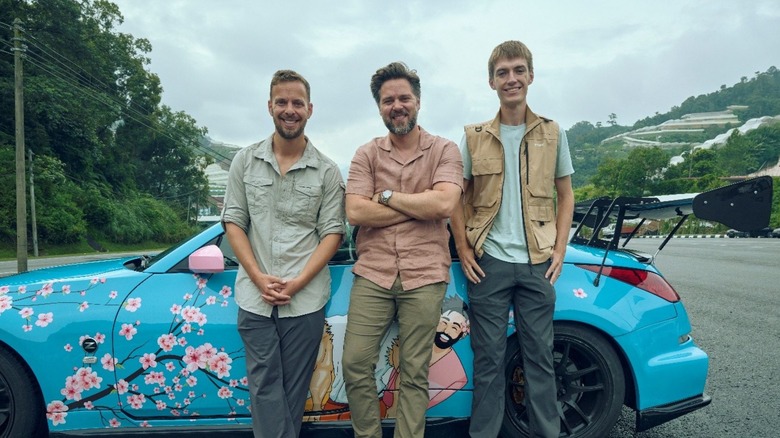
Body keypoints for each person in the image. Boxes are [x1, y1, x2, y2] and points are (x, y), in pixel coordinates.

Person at [450, 40, 575, 438]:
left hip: (538, 261)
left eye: (518, 70)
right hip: (490, 263)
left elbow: (566, 194)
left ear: (531, 76)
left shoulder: (553, 133)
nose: (511, 79)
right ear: (491, 81)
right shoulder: (473, 137)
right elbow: (455, 197)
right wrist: (465, 248)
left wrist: (559, 248)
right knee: (489, 358)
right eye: (503, 73)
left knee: (540, 357)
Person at [221, 69, 345, 438]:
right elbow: (233, 223)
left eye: (297, 103)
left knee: (293, 389)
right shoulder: (244, 162)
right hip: (254, 296)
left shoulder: (326, 171)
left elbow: (333, 232)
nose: (289, 110)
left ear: (310, 109)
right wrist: (259, 277)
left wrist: (298, 281)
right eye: (282, 102)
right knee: (264, 385)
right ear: (270, 106)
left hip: (305, 298)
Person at [342, 61, 463, 438]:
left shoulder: (445, 150)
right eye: (388, 100)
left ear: (418, 101)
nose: (397, 105)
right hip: (374, 273)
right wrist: (416, 208)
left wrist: (388, 198)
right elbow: (355, 210)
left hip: (426, 274)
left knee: (414, 371)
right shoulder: (366, 154)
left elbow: (444, 206)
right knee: (354, 362)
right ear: (379, 106)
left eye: (404, 98)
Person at [381, 295, 470, 416]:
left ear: (462, 334)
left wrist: (400, 368)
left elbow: (410, 406)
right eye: (444, 322)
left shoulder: (457, 377)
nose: (446, 331)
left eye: (455, 327)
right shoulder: (411, 343)